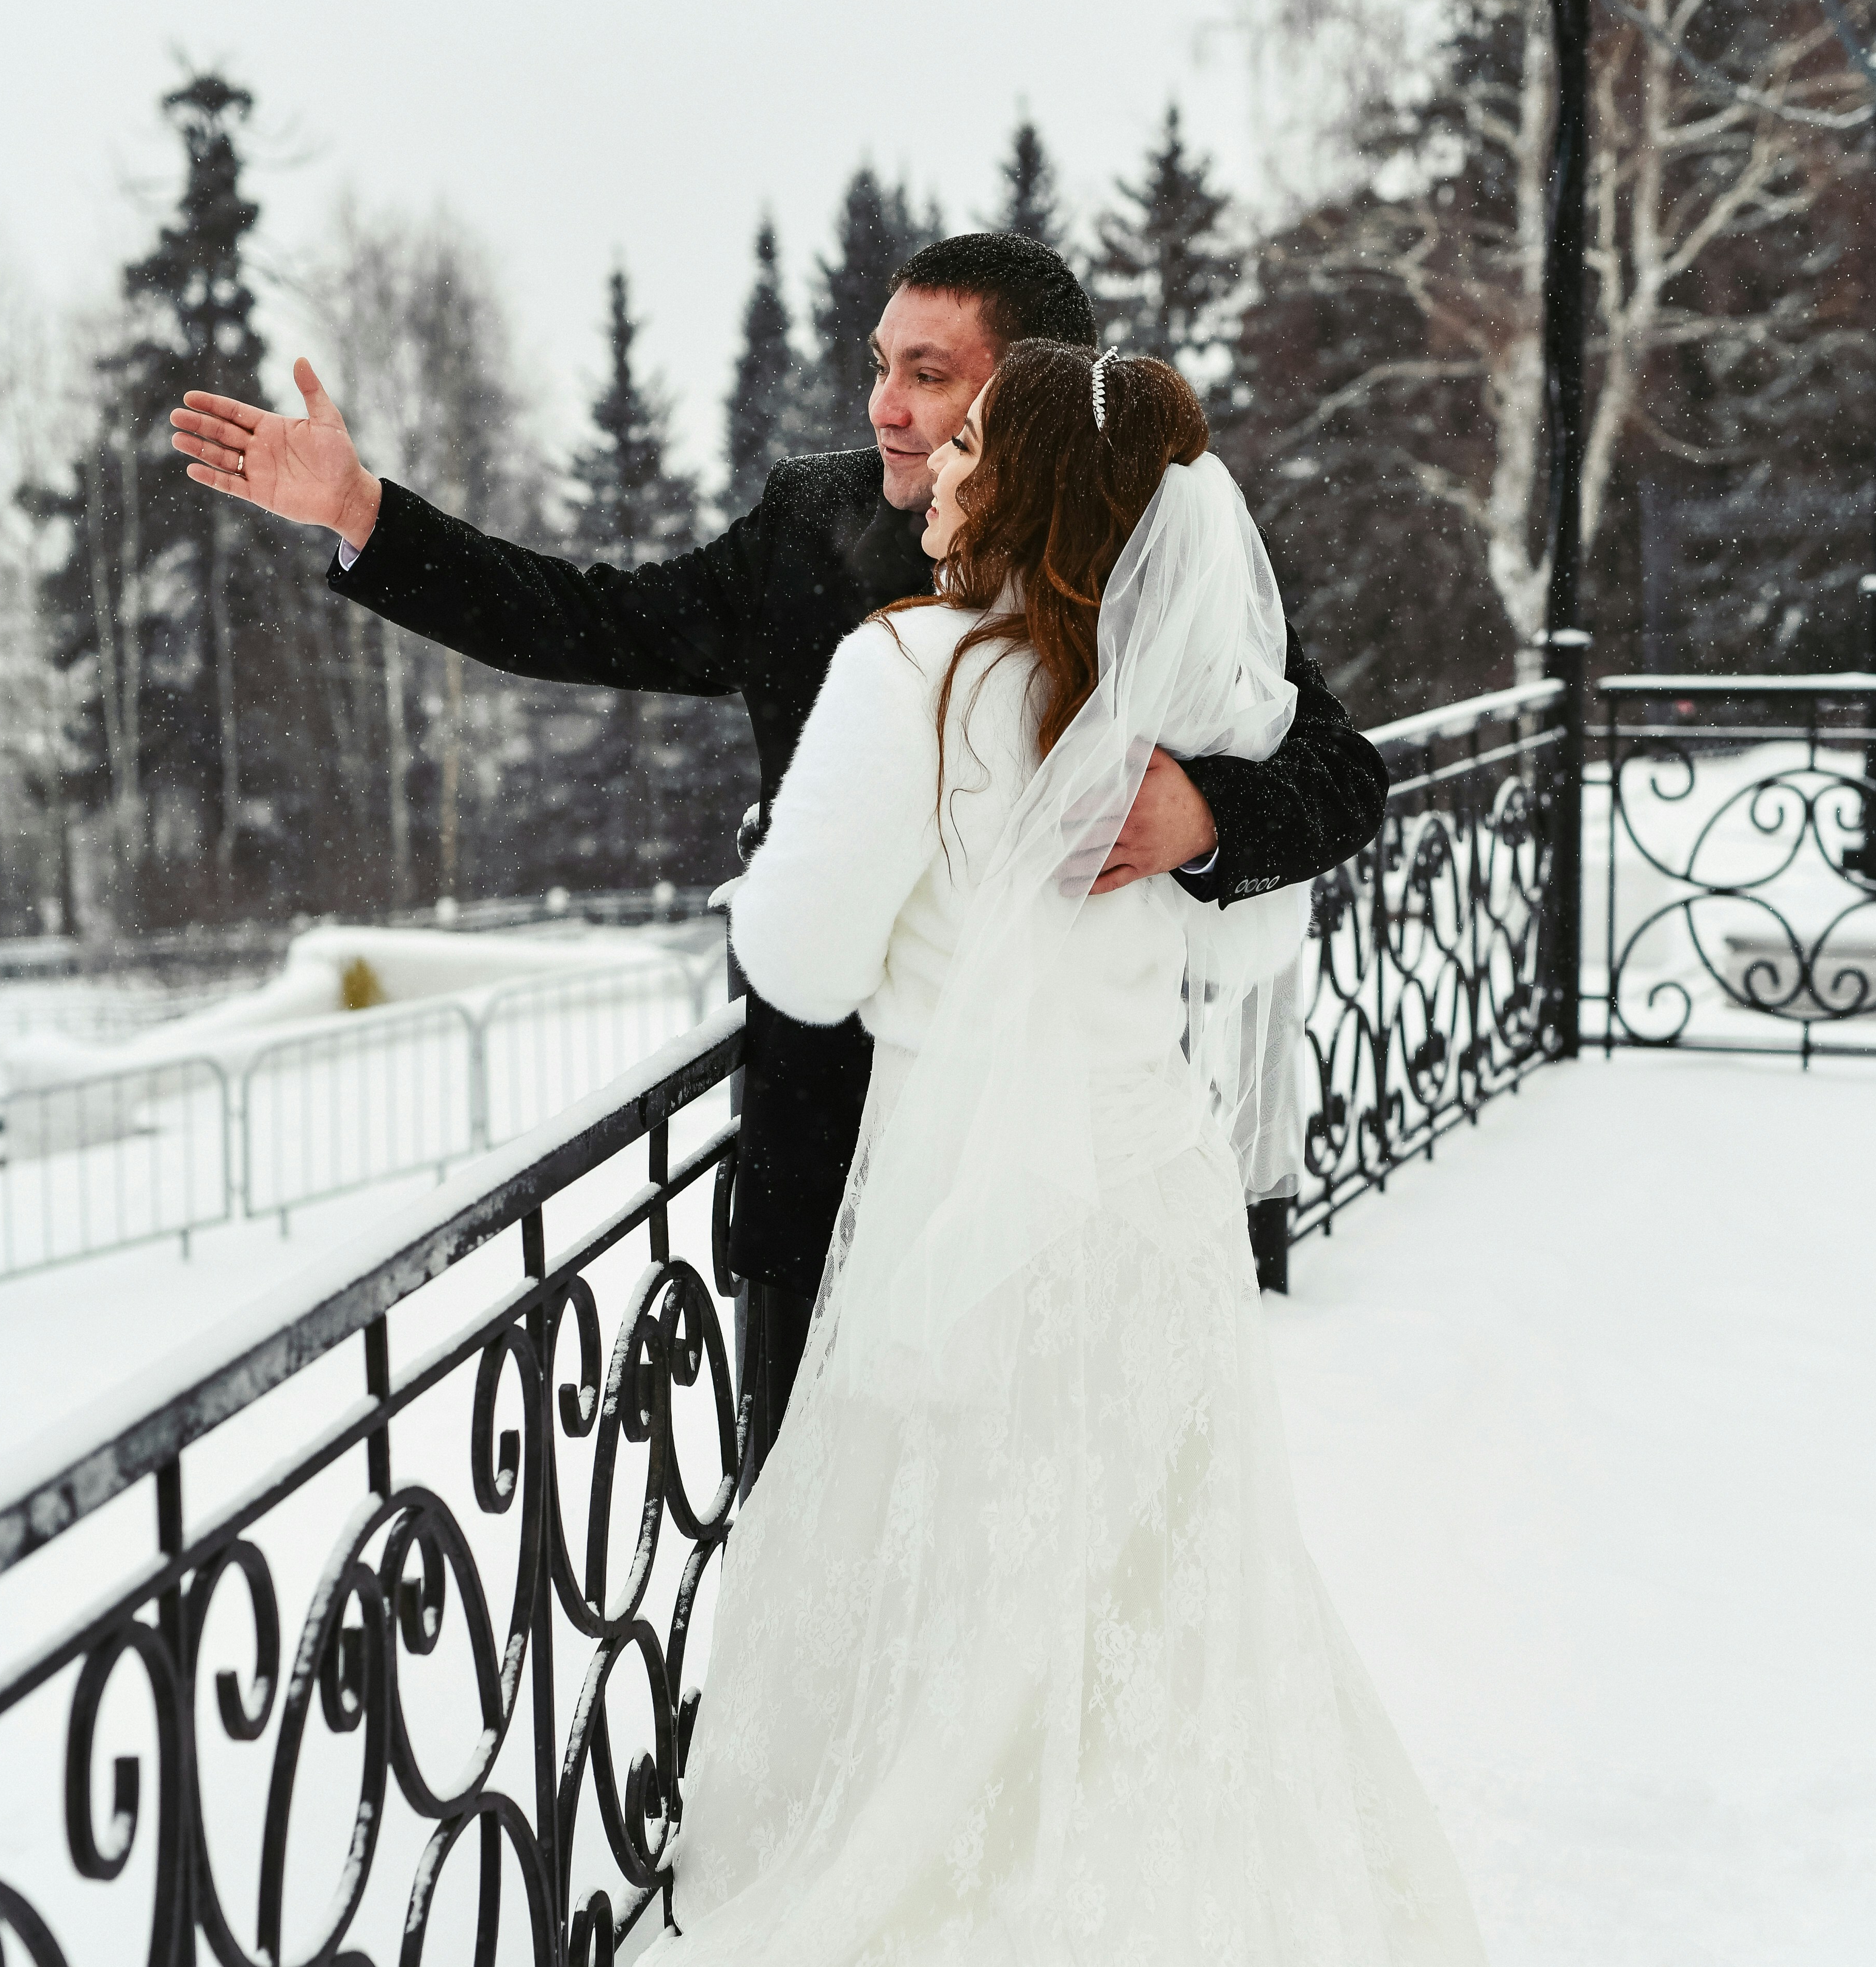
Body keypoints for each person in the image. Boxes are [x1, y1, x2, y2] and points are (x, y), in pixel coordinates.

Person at [585, 343, 1667, 1967]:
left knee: (959, 1600)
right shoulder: (1163, 711)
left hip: (971, 1242)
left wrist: (814, 905)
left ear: (1022, 490)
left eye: (962, 434)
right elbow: (1259, 867)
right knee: (1154, 1600)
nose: (929, 463)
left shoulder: (912, 674)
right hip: (1146, 1217)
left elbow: (795, 959)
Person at [170, 234, 1388, 1469]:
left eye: (928, 376)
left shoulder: (1152, 540)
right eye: (879, 368)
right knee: (828, 1541)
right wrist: (362, 514)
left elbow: (1343, 774)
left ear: (1032, 390)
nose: (886, 408)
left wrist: (1209, 817)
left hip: (1057, 1176)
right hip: (830, 1164)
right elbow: (591, 620)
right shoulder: (812, 521)